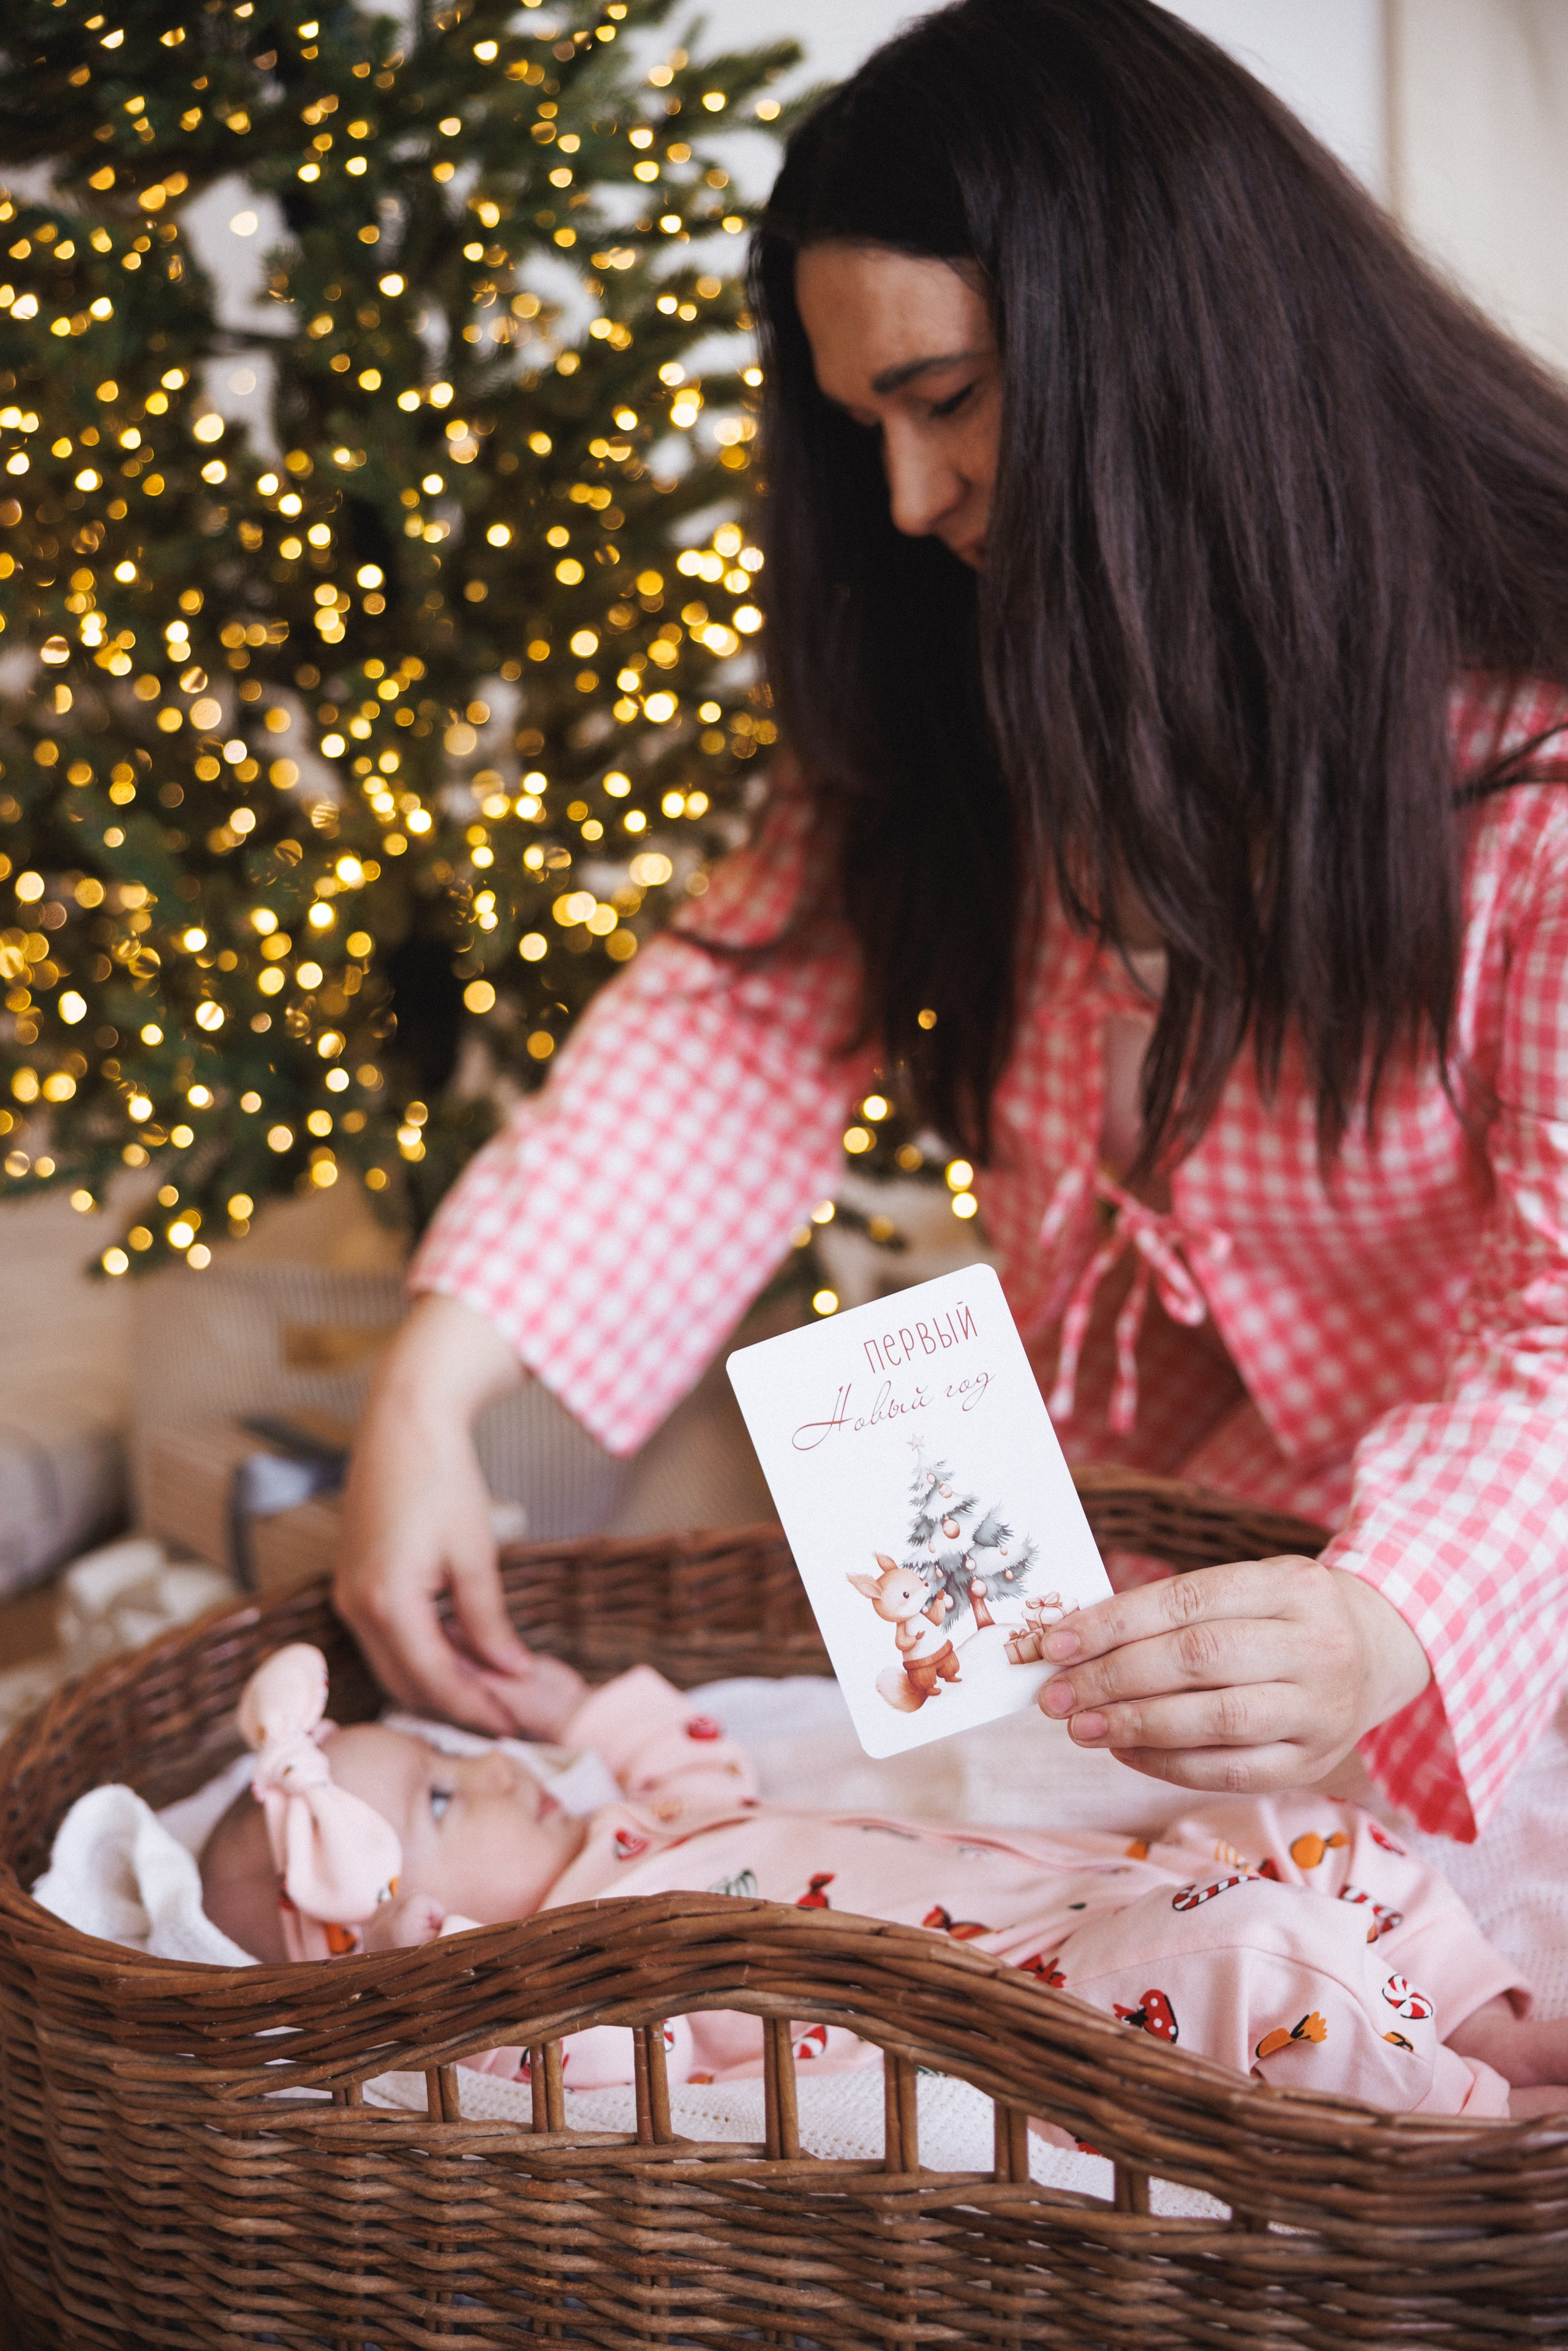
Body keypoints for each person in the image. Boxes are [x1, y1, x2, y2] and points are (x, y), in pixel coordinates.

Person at [334, 0, 1568, 1843]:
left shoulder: (1531, 771)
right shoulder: (984, 676)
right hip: (1125, 1549)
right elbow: (733, 1024)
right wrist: (430, 1392)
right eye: (867, 430)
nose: (908, 501)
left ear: (1165, 341)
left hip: (1478, 1586)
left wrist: (1390, 1615)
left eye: (949, 397)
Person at [198, 1642, 1568, 2122]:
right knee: (1263, 1949)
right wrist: (460, 1989)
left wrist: (580, 1706)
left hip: (1098, 1889)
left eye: (456, 1753)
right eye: (443, 1799)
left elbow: (694, 1758)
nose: (497, 1771)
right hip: (1044, 1998)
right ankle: (1474, 2122)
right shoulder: (583, 1980)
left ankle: (1472, 2016)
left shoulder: (633, 1824)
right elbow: (599, 2078)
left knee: (1294, 1825)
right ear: (410, 1932)